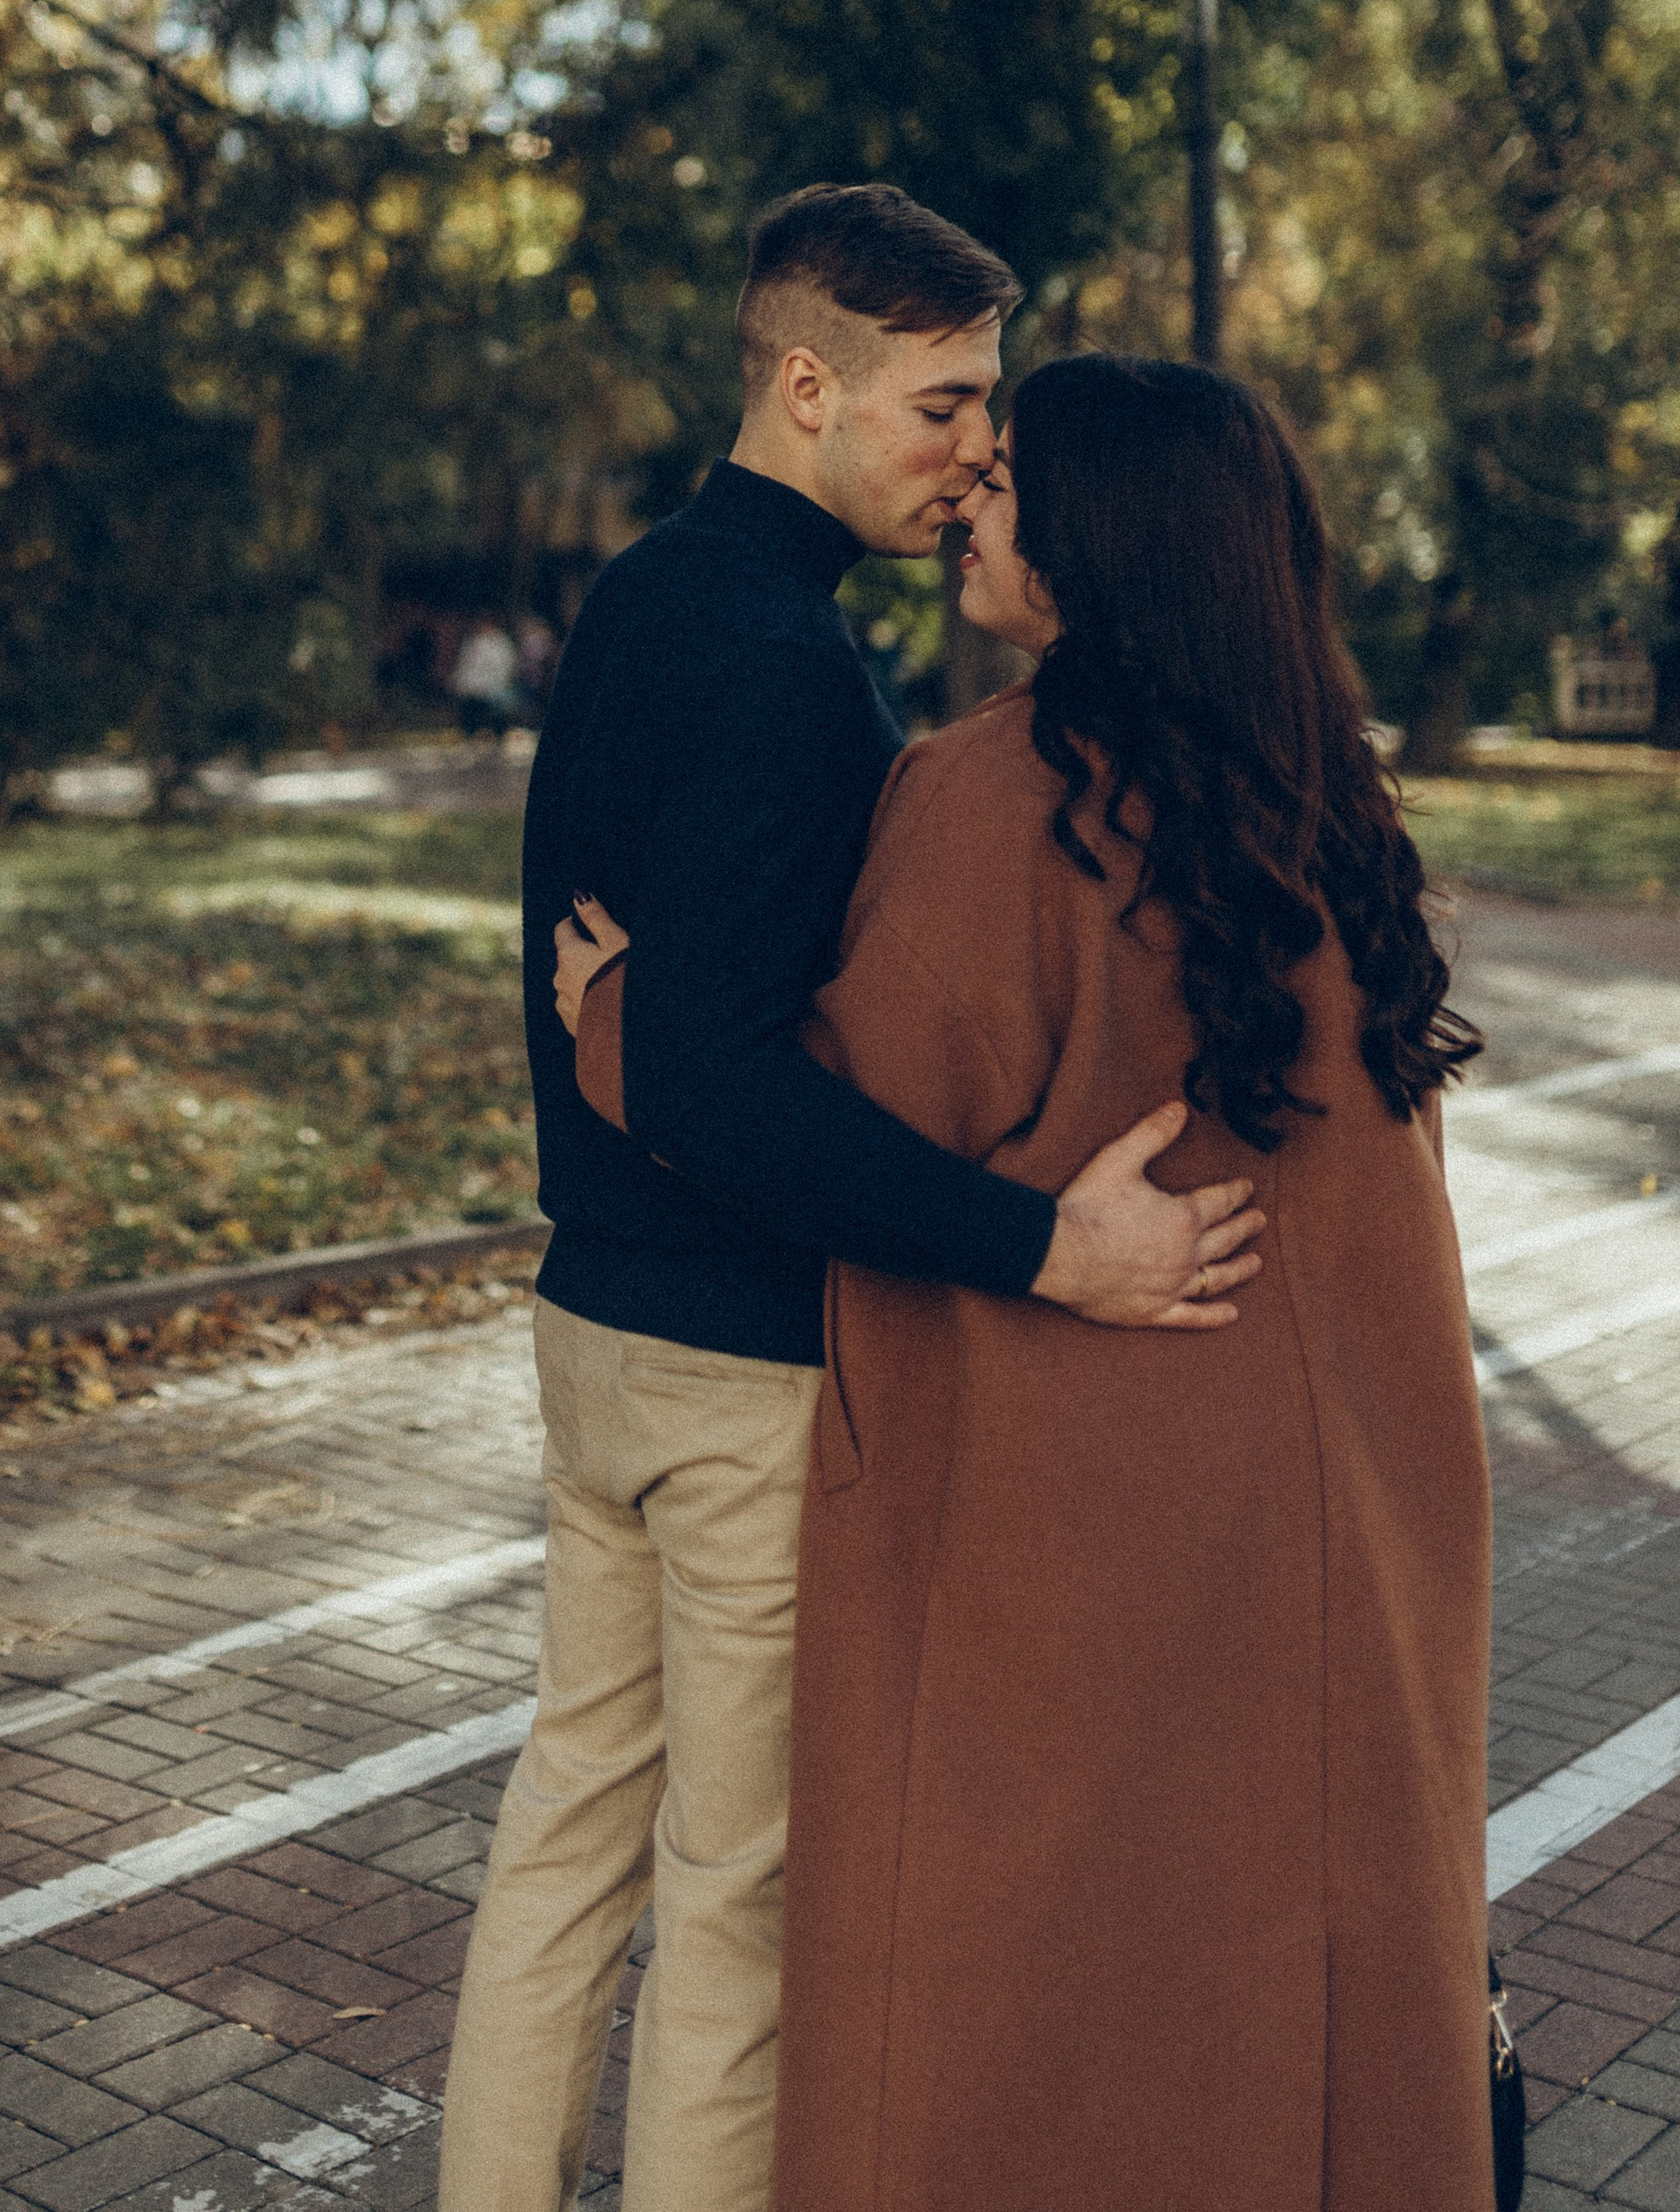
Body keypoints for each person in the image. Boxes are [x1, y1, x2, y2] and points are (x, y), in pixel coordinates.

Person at [561, 355, 1492, 2212]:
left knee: (1037, 2026)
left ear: (1100, 543)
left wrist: (615, 1025)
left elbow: (829, 1108)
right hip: (1356, 1524)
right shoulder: (1330, 798)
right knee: (1305, 1991)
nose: (972, 492)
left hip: (1081, 1523)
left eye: (1011, 477)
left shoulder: (1001, 797)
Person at [436, 191, 1266, 2212]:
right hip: (727, 1374)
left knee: (566, 1838)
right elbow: (730, 1088)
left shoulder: (634, 599)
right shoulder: (793, 673)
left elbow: (635, 1001)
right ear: (804, 385)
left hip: (587, 1338)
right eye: (944, 402)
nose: (981, 452)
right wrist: (1042, 1246)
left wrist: (636, 1037)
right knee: (730, 1907)